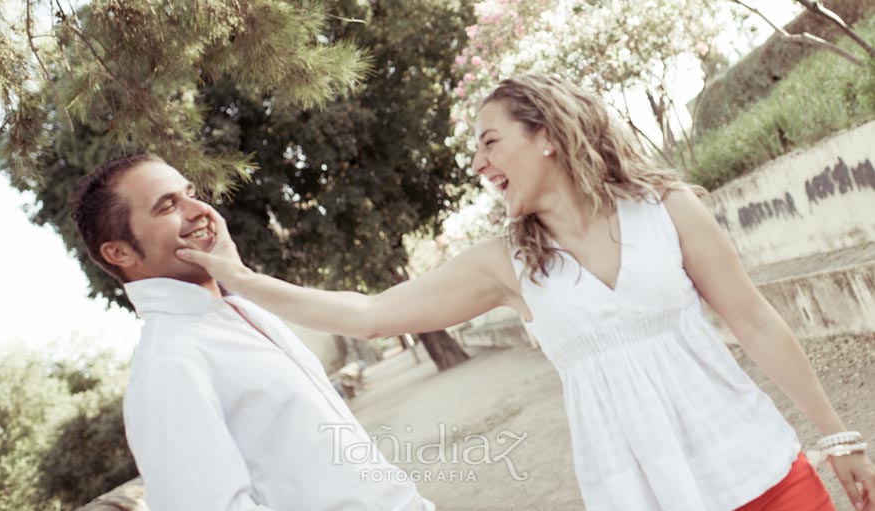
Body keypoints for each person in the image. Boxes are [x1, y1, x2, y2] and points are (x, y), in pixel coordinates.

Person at [176, 74, 875, 511]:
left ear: (545, 136)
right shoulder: (504, 265)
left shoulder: (668, 211)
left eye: (490, 142)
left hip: (757, 464)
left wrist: (838, 433)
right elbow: (369, 313)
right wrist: (239, 277)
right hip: (642, 493)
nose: (479, 164)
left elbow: (755, 322)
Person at [69, 153, 435, 511]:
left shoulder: (247, 311)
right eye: (167, 206)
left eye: (191, 194)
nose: (200, 211)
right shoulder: (168, 364)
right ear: (119, 252)